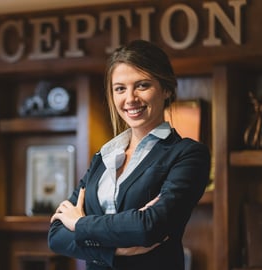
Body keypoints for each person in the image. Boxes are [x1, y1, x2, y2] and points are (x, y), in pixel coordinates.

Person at [48, 39, 210, 270]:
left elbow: (149, 227)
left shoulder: (188, 155)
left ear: (166, 89)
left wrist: (79, 223)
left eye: (142, 85)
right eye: (120, 88)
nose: (130, 98)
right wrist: (115, 249)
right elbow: (56, 234)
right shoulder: (103, 157)